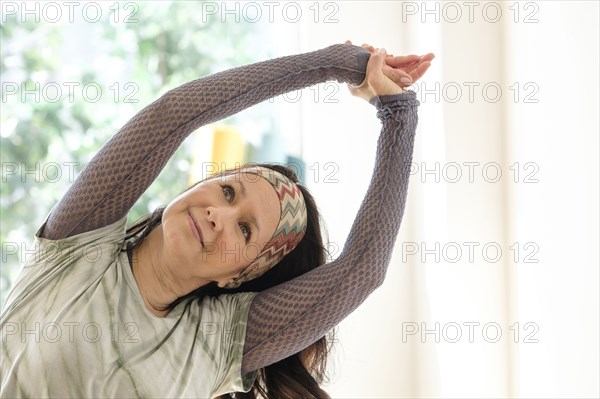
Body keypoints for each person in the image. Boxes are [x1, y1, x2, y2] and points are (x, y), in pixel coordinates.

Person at [0, 40, 434, 398]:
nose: (217, 215)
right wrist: (341, 63)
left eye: (244, 230)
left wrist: (399, 115)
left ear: (239, 274)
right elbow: (177, 112)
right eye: (227, 192)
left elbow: (362, 270)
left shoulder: (217, 341)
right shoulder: (80, 246)